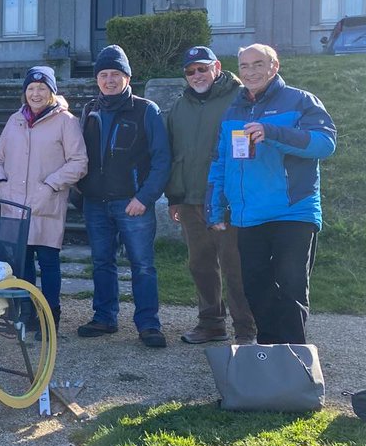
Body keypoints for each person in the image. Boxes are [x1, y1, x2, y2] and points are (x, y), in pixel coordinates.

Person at [207, 43, 336, 345]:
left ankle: (295, 362)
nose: (250, 71)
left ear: (274, 66)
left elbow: (325, 144)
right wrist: (214, 208)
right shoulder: (233, 110)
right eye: (244, 66)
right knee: (256, 287)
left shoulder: (301, 101)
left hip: (293, 212)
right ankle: (269, 358)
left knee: (291, 288)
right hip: (249, 215)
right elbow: (220, 162)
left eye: (258, 64)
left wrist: (274, 133)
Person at [77, 45, 171, 348]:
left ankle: (148, 324)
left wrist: (144, 198)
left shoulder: (146, 109)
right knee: (102, 262)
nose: (109, 79)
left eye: (115, 74)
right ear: (97, 79)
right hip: (95, 202)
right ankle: (104, 317)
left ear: (127, 77)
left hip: (133, 202)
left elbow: (162, 160)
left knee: (142, 264)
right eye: (103, 74)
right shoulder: (90, 109)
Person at [165, 46, 255, 345]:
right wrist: (175, 196)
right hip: (191, 200)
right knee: (200, 264)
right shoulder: (179, 106)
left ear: (216, 67)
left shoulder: (239, 98)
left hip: (228, 201)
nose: (196, 76)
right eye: (190, 71)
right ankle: (211, 324)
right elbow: (174, 154)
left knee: (235, 266)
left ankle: (245, 329)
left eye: (202, 68)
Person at [0, 66, 88, 332]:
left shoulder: (66, 121)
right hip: (14, 205)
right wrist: (0, 182)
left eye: (42, 88)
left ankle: (50, 314)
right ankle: (27, 312)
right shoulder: (15, 120)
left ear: (51, 92)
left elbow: (79, 162)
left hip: (46, 204)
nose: (35, 93)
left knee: (48, 263)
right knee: (22, 264)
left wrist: (50, 184)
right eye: (31, 89)